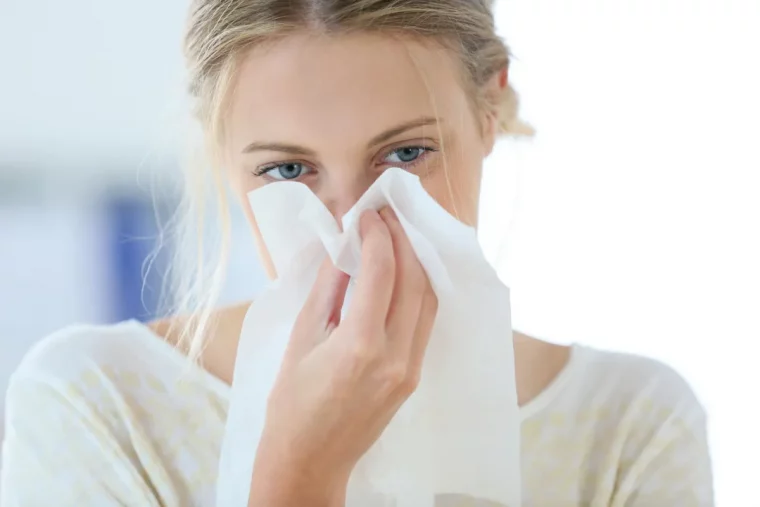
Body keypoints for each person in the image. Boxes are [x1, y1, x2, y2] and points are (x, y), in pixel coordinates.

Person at [0, 1, 713, 506]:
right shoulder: (96, 409)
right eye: (287, 171)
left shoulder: (627, 428)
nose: (353, 229)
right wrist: (296, 473)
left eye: (406, 154)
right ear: (221, 150)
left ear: (488, 114)